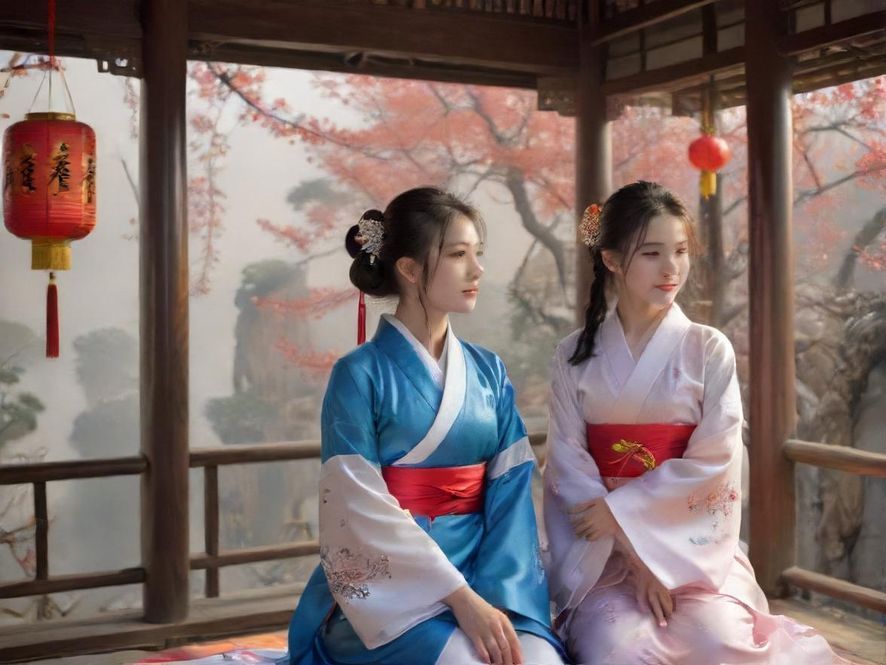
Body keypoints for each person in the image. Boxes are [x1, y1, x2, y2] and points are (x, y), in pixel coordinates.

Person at [543, 181, 846, 664]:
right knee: (621, 653)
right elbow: (567, 462)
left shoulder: (707, 348)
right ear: (612, 260)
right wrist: (633, 551)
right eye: (652, 253)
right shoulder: (573, 355)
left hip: (689, 553)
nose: (671, 268)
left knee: (719, 644)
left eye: (681, 251)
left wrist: (640, 536)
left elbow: (716, 461)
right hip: (608, 560)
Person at [286, 187, 565, 665]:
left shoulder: (488, 370)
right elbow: (356, 502)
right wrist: (459, 598)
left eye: (477, 253)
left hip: (486, 578)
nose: (477, 269)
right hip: (391, 595)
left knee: (538, 660)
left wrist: (496, 597)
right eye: (458, 255)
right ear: (410, 269)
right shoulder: (358, 374)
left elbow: (513, 490)